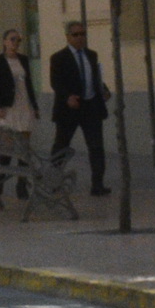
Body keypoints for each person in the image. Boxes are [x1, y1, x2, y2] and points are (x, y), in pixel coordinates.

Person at [47, 22, 110, 196]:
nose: (80, 37)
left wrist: (104, 90)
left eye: (83, 34)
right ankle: (53, 182)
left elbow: (95, 77)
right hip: (69, 108)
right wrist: (68, 97)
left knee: (96, 146)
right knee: (61, 146)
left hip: (91, 106)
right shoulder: (59, 57)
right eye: (75, 35)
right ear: (68, 37)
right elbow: (56, 82)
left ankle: (98, 184)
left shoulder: (91, 55)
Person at [0, 30, 41, 136]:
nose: (15, 42)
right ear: (4, 42)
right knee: (7, 137)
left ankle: (22, 152)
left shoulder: (23, 59)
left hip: (24, 102)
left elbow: (29, 83)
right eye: (12, 39)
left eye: (18, 40)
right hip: (8, 104)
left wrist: (35, 106)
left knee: (24, 135)